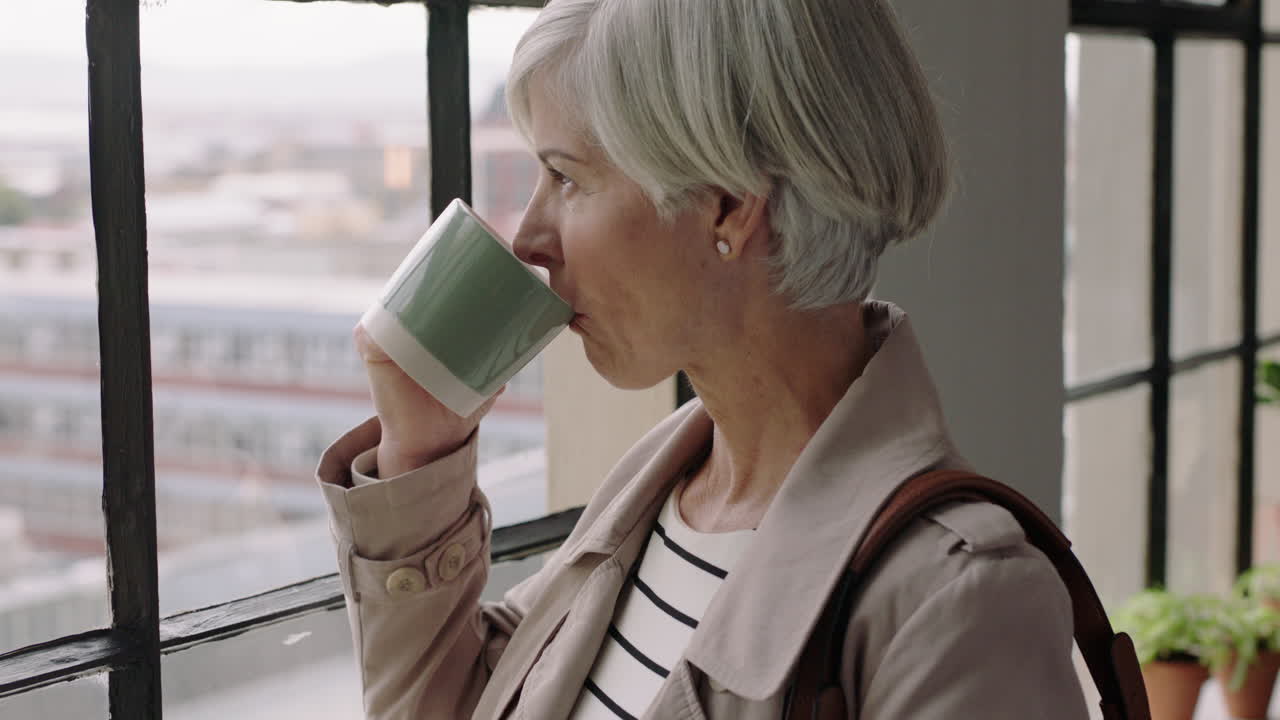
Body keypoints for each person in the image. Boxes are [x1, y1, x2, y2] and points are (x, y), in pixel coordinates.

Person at [315, 0, 1091, 717]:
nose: (528, 239)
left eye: (566, 178)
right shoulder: (667, 479)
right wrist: (420, 450)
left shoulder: (963, 599)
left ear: (728, 205)